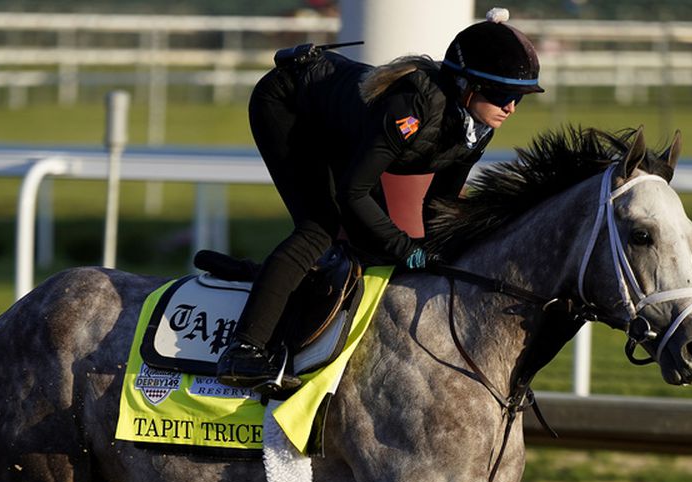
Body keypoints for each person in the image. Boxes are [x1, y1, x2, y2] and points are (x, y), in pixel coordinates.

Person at [216, 7, 544, 391]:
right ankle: (243, 349)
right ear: (465, 86)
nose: (510, 107)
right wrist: (409, 250)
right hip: (288, 104)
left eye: (519, 97)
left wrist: (443, 249)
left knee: (375, 243)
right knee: (319, 225)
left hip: (339, 126)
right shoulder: (412, 109)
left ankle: (297, 301)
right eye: (502, 94)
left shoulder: (478, 125)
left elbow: (441, 200)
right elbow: (353, 192)